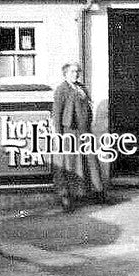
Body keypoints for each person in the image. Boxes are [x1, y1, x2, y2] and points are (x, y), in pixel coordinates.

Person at [51, 62, 106, 211]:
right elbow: (56, 114)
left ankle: (97, 193)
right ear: (65, 74)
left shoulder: (81, 88)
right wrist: (58, 135)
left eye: (77, 72)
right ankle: (67, 198)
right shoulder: (61, 89)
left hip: (84, 132)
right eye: (72, 72)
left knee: (90, 162)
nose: (76, 74)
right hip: (69, 132)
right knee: (69, 165)